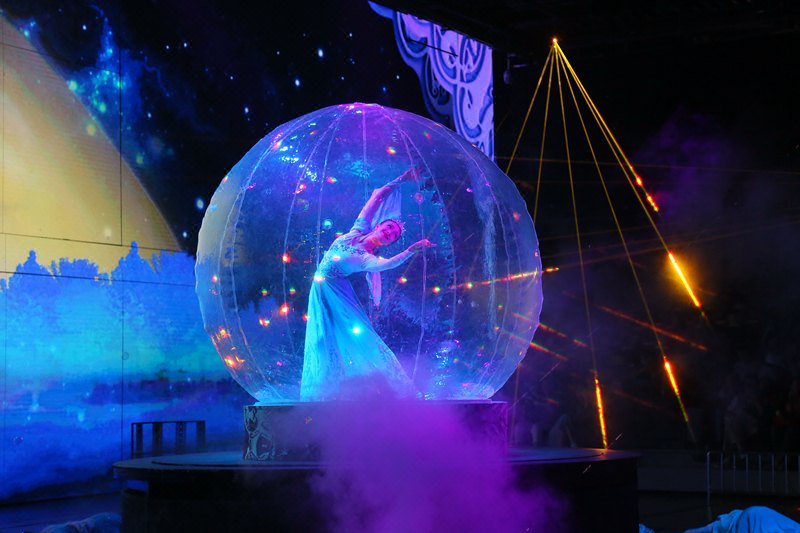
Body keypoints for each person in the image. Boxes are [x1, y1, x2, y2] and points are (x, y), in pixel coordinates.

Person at [300, 167, 434, 400]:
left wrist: (411, 250)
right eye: (389, 227)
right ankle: (328, 390)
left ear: (388, 242)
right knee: (322, 339)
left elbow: (389, 264)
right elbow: (376, 198)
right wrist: (401, 179)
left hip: (337, 294)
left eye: (393, 235)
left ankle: (387, 387)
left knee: (353, 338)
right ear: (379, 225)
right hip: (320, 289)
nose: (389, 232)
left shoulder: (367, 259)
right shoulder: (357, 230)